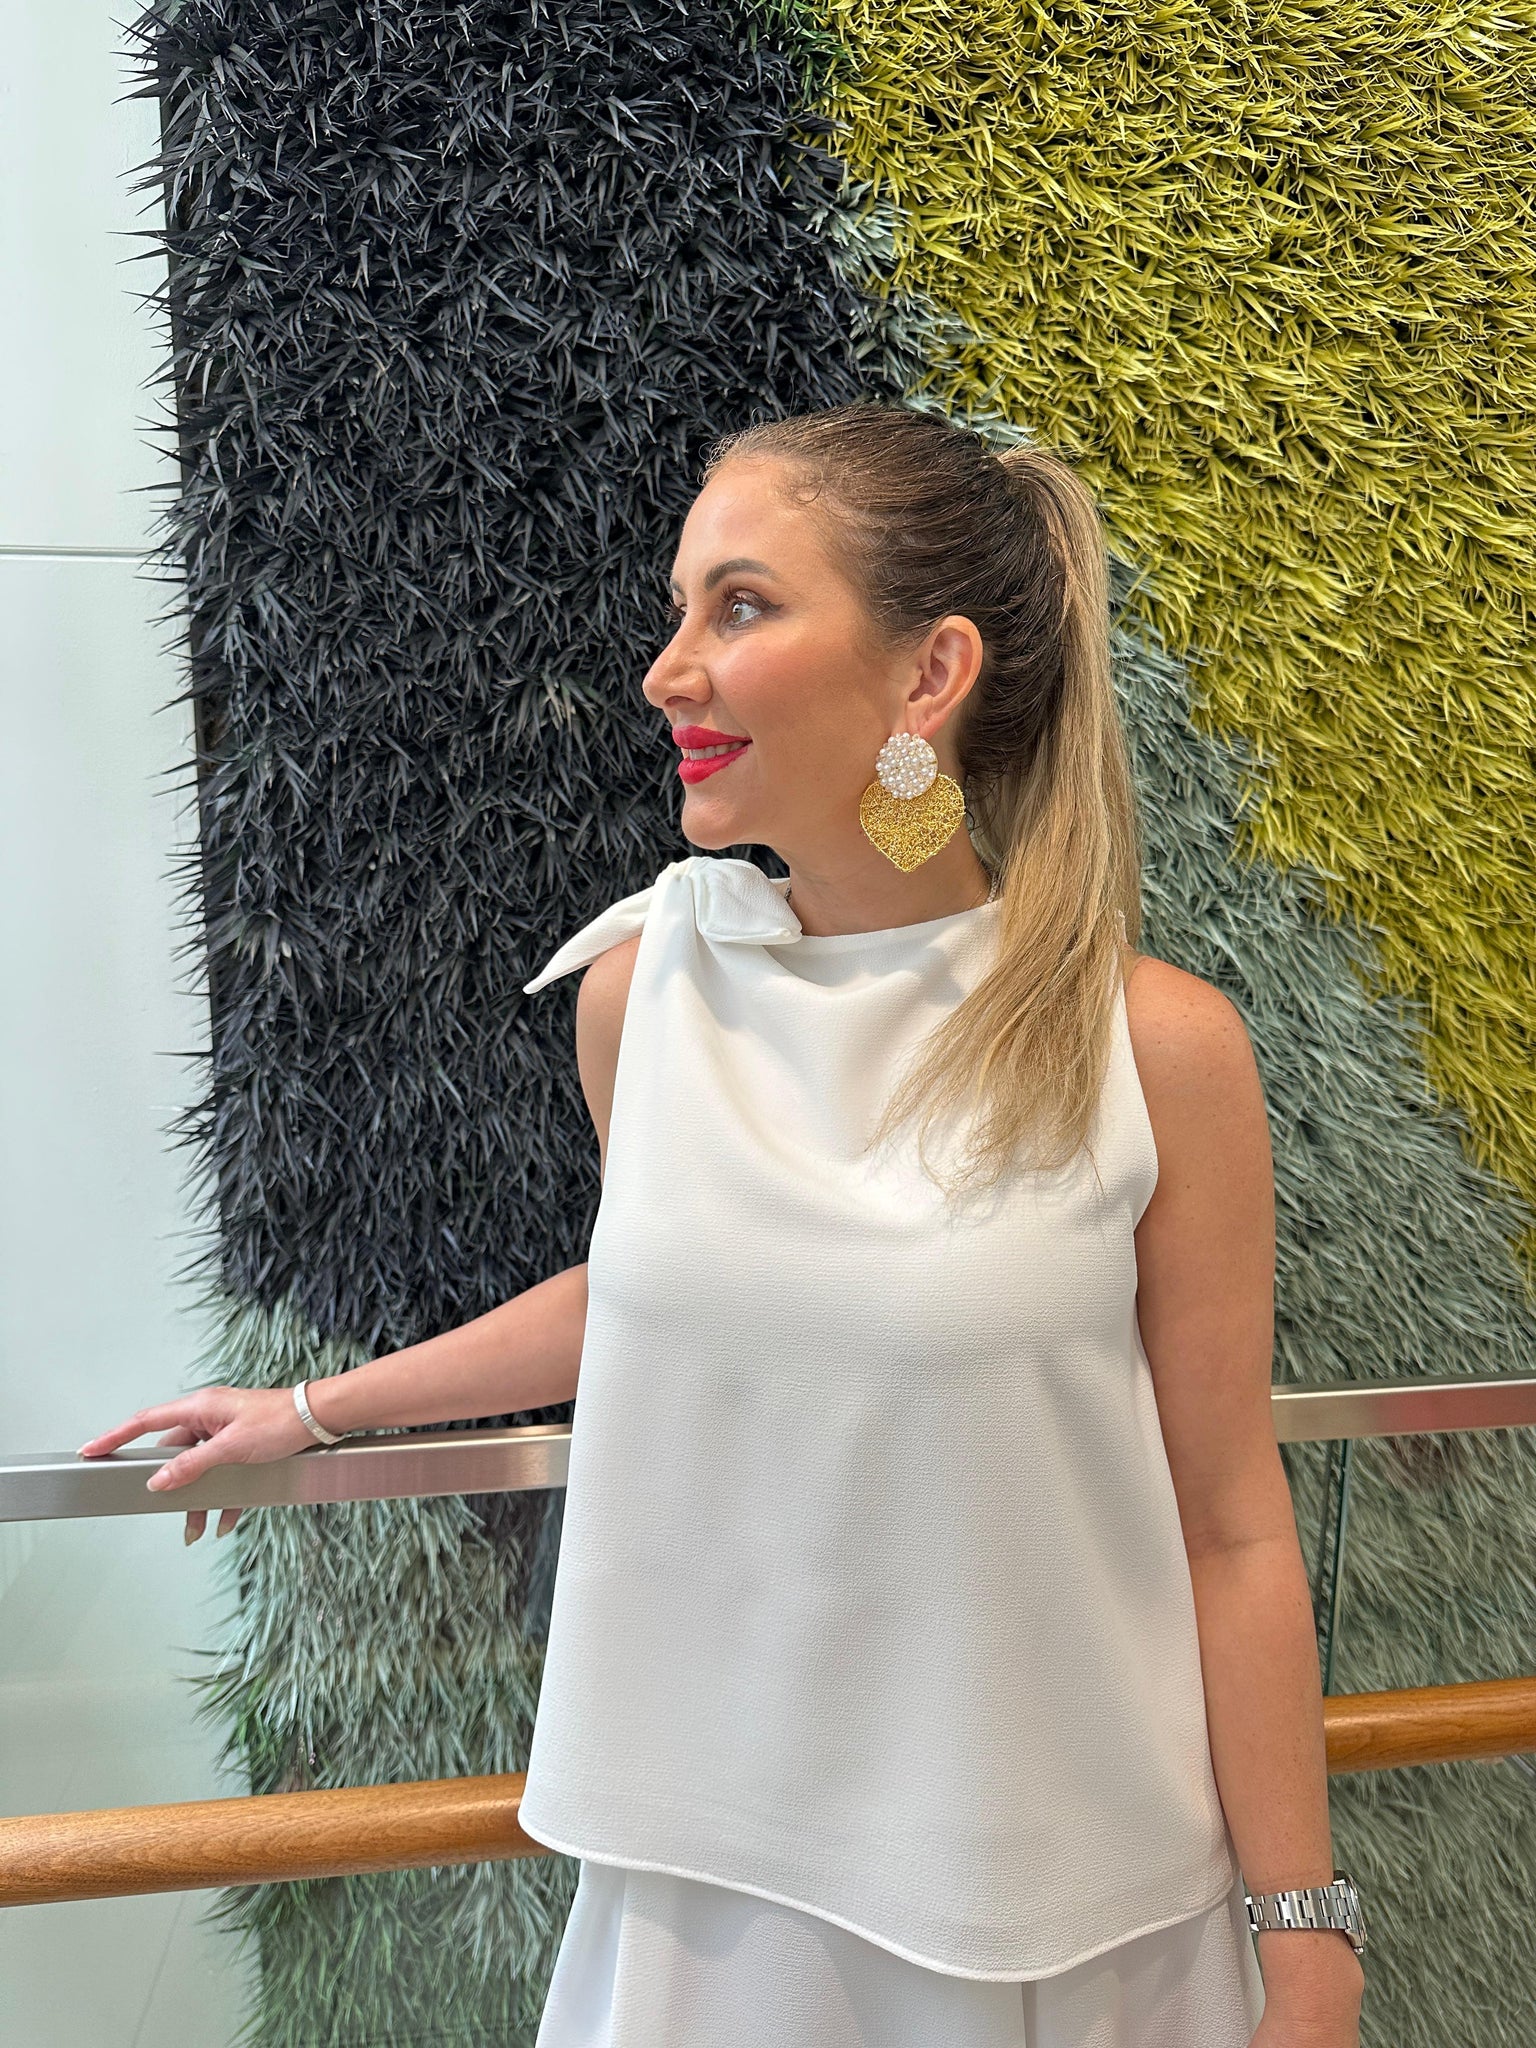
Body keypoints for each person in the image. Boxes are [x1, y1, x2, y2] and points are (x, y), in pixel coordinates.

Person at [81, 402, 1366, 2047]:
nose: (665, 672)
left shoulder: (1152, 1049)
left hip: (1063, 1906)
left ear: (930, 674)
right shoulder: (644, 995)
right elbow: (654, 1288)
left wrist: (1306, 1945)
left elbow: (1231, 1529)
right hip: (710, 1896)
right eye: (680, 610)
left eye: (739, 607)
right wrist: (314, 1412)